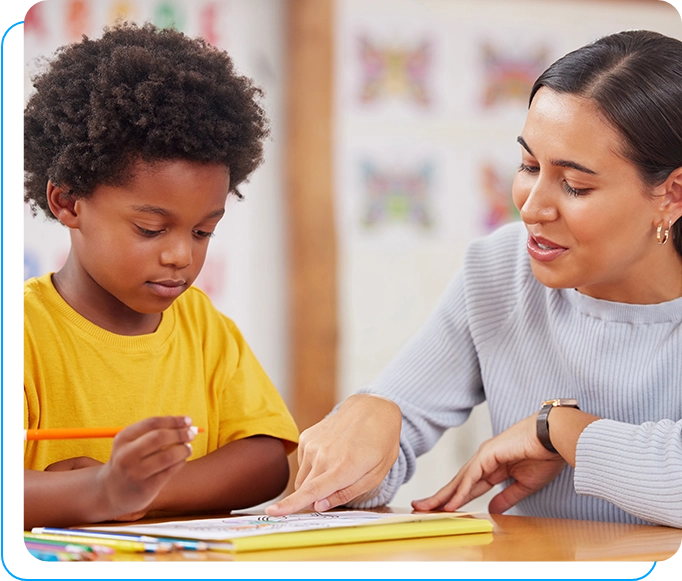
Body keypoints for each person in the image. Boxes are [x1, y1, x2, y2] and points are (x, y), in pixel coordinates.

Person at [266, 29, 682, 529]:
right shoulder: (500, 270)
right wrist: (370, 421)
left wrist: (559, 430)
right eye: (529, 165)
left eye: (574, 185)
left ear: (672, 195)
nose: (530, 206)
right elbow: (386, 453)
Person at [21, 22, 299, 530]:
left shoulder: (203, 327)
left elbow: (265, 460)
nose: (180, 256)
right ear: (68, 201)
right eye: (151, 229)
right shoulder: (20, 333)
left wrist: (140, 491)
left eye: (201, 232)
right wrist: (98, 492)